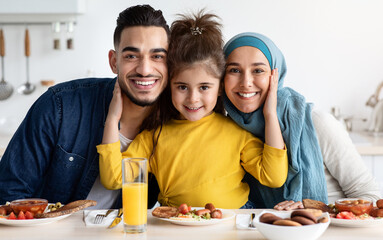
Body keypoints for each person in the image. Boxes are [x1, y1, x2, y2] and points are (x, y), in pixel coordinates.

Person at [97, 11, 288, 209]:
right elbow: (113, 179)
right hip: (175, 225)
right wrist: (112, 119)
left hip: (230, 224)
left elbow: (274, 177)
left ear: (220, 87)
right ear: (168, 86)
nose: (193, 98)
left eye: (204, 87)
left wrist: (270, 114)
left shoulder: (237, 134)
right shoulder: (153, 138)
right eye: (182, 87)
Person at [0, 4, 169, 209]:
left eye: (157, 56)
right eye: (131, 56)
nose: (144, 69)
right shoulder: (59, 106)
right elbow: (9, 194)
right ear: (114, 61)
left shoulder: (175, 125)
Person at [222, 32, 381, 210]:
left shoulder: (317, 124)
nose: (246, 82)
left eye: (258, 70)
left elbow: (373, 197)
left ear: (276, 74)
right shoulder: (227, 132)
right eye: (234, 70)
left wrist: (318, 208)